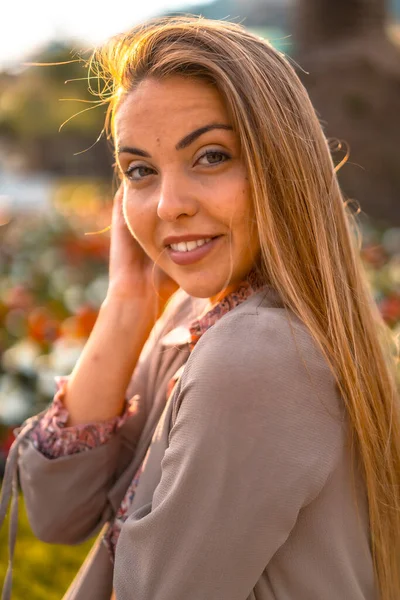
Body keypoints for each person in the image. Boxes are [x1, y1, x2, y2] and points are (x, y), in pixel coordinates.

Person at [1, 16, 399, 600]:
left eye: (210, 156)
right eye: (140, 170)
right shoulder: (194, 316)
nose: (168, 205)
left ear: (281, 167)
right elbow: (59, 511)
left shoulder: (257, 356)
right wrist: (125, 306)